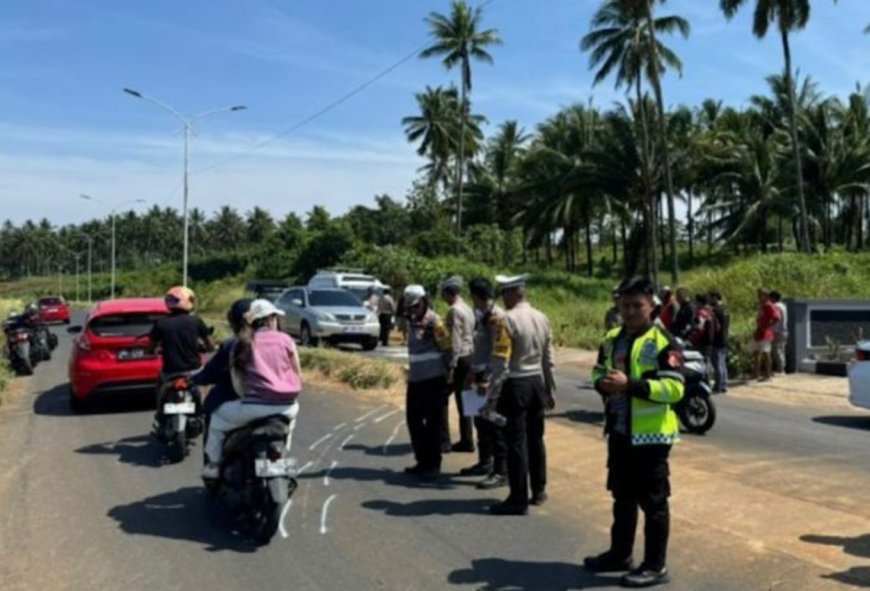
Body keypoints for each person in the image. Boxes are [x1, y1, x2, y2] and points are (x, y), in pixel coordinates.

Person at [585, 276, 685, 588]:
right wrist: (602, 382)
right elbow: (598, 371)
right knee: (622, 497)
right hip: (619, 431)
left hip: (652, 436)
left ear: (651, 305)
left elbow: (675, 388)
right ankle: (620, 554)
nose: (629, 311)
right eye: (624, 305)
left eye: (636, 305)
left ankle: (655, 565)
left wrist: (631, 386)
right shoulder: (612, 337)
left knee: (654, 503)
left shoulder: (663, 341)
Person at [202, 299, 302, 479]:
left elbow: (237, 382)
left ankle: (213, 466)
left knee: (216, 421)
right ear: (272, 319)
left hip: (253, 406)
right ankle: (282, 454)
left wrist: (247, 397)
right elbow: (297, 372)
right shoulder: (287, 340)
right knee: (290, 425)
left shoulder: (242, 343)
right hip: (288, 406)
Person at [485, 274, 556, 516]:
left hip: (515, 383)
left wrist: (493, 393)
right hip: (536, 382)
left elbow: (501, 360)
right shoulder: (542, 317)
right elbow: (549, 358)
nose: (503, 299)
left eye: (505, 294)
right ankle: (539, 490)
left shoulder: (506, 320)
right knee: (536, 438)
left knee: (516, 441)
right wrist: (549, 389)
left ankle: (518, 498)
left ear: (513, 293)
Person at [458, 277, 508, 490]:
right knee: (480, 421)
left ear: (477, 296)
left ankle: (500, 470)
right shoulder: (482, 314)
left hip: (490, 377)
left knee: (494, 424)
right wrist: (472, 370)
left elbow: (499, 353)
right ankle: (485, 461)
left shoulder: (496, 317)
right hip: (479, 373)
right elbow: (480, 345)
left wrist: (489, 378)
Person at [403, 285, 452, 481]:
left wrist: (449, 375)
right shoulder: (411, 321)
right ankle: (422, 460)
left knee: (433, 423)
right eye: (410, 307)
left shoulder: (435, 322)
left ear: (424, 301)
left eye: (416, 306)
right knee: (413, 420)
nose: (413, 310)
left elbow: (447, 349)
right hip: (415, 379)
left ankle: (433, 464)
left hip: (433, 380)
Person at [149, 286, 214, 433]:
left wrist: (153, 351)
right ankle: (204, 413)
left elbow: (151, 347)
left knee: (160, 387)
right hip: (194, 370)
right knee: (205, 389)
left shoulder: (161, 324)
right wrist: (209, 348)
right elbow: (209, 344)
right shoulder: (196, 321)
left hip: (170, 372)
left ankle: (160, 412)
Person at [192, 298, 252, 445]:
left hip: (238, 401)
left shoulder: (232, 345)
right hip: (281, 406)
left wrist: (194, 379)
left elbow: (210, 373)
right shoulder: (280, 341)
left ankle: (211, 465)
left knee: (211, 414)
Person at [441, 276, 476, 454]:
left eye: (444, 294)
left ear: (450, 293)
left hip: (460, 358)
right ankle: (467, 439)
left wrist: (451, 367)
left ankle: (445, 441)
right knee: (468, 402)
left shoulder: (454, 311)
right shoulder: (468, 308)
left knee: (444, 397)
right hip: (470, 356)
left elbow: (455, 340)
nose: (443, 299)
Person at [752, 289, 780, 382]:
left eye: (761, 295)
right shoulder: (762, 306)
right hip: (759, 332)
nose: (759, 297)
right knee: (756, 353)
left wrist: (767, 326)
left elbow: (776, 318)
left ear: (766, 296)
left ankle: (768, 374)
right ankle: (756, 373)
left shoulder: (769, 306)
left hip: (765, 333)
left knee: (766, 353)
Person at [709, 291, 730, 394]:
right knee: (722, 363)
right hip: (725, 338)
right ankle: (724, 384)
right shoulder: (726, 309)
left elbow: (716, 327)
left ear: (715, 298)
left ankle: (718, 385)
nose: (709, 300)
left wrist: (711, 338)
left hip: (717, 340)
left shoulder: (716, 311)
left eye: (711, 298)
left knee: (717, 364)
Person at [687, 293, 715, 364]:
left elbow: (699, 328)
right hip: (709, 340)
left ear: (699, 302)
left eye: (696, 301)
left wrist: (692, 339)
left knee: (700, 361)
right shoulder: (710, 311)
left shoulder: (701, 313)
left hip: (701, 342)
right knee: (707, 360)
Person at [770, 291, 788, 375]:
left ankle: (780, 370)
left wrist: (775, 331)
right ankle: (782, 368)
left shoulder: (776, 306)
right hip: (784, 330)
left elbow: (777, 319)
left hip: (778, 331)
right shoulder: (783, 306)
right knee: (781, 349)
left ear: (773, 298)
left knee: (776, 350)